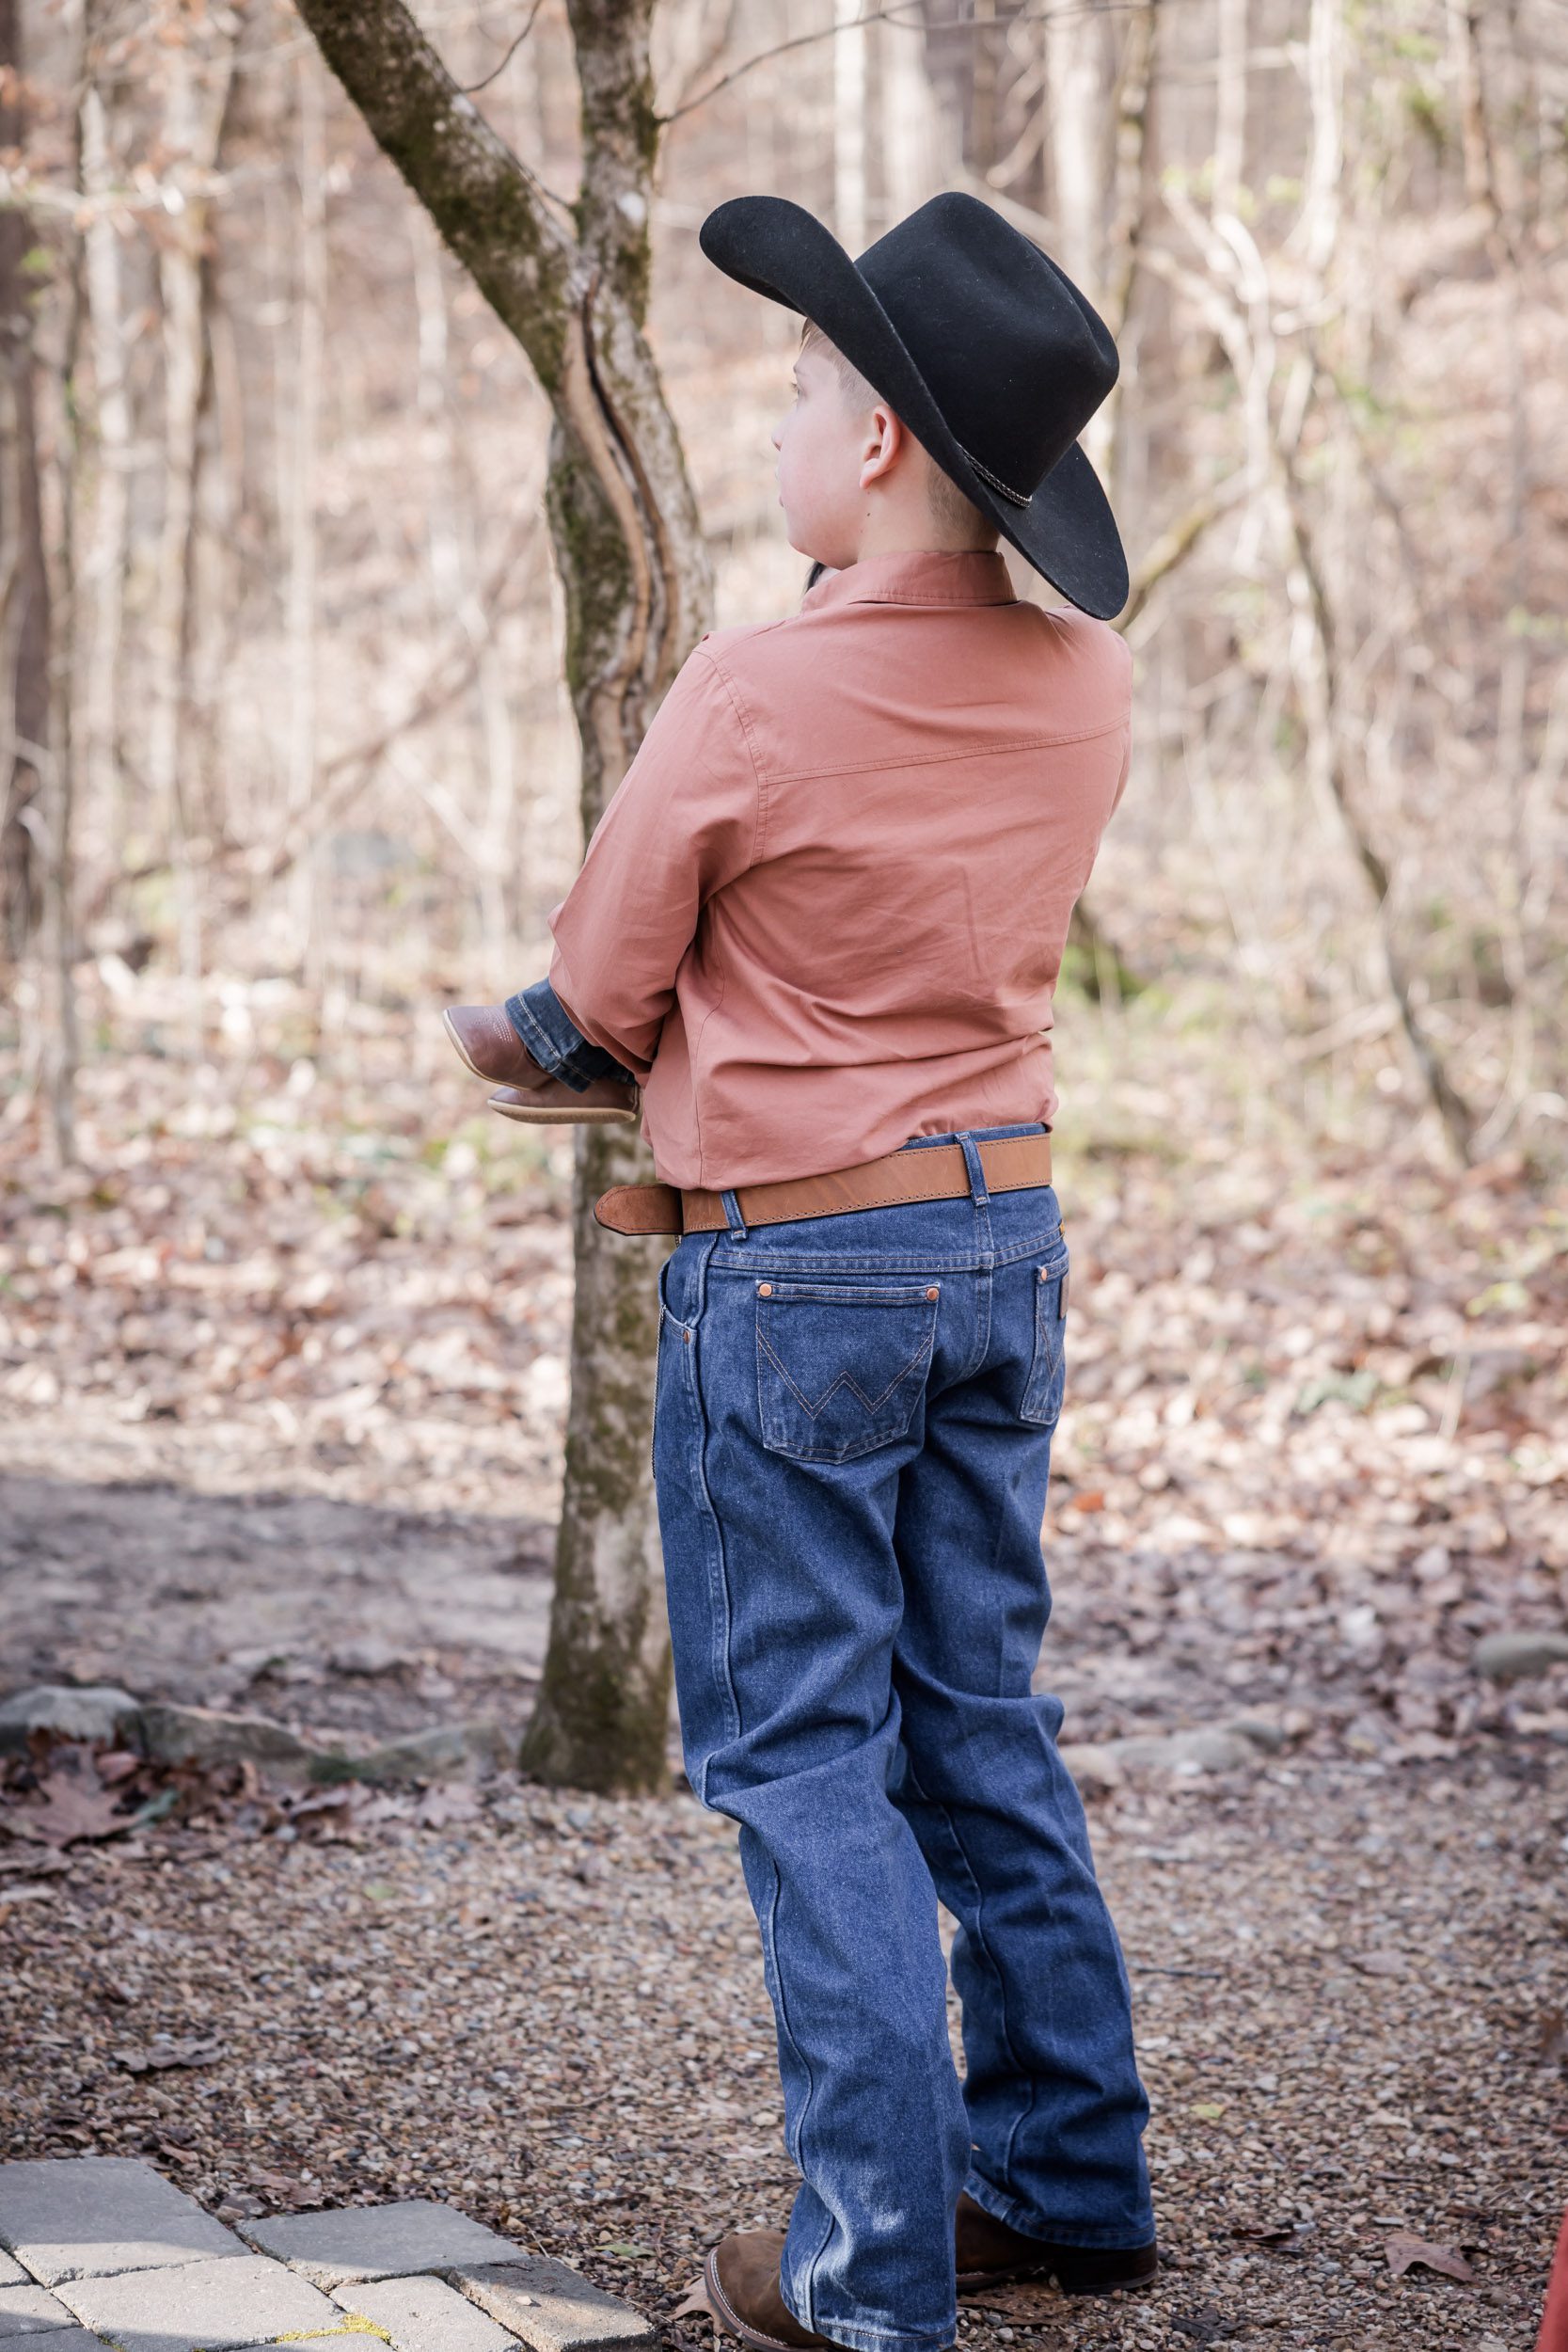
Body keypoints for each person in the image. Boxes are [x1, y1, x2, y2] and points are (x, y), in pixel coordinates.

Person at [447, 190, 1159, 2352]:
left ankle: (869, 2272)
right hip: (999, 1237)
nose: (773, 415)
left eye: (792, 389)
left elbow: (587, 998)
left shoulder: (754, 689)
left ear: (869, 451)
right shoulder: (1086, 682)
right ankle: (1062, 2175)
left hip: (799, 1276)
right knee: (978, 1714)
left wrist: (520, 1046)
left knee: (801, 1757)